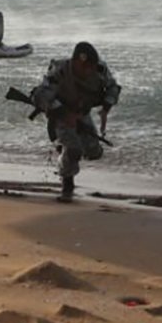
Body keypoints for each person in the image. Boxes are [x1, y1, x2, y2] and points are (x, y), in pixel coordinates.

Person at [31, 41, 120, 202]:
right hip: (59, 113)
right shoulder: (60, 70)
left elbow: (113, 87)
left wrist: (106, 107)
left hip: (82, 113)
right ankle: (67, 183)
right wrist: (64, 114)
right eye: (84, 67)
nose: (88, 71)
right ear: (75, 62)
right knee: (73, 150)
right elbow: (40, 95)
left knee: (94, 152)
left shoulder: (99, 69)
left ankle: (64, 152)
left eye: (91, 67)